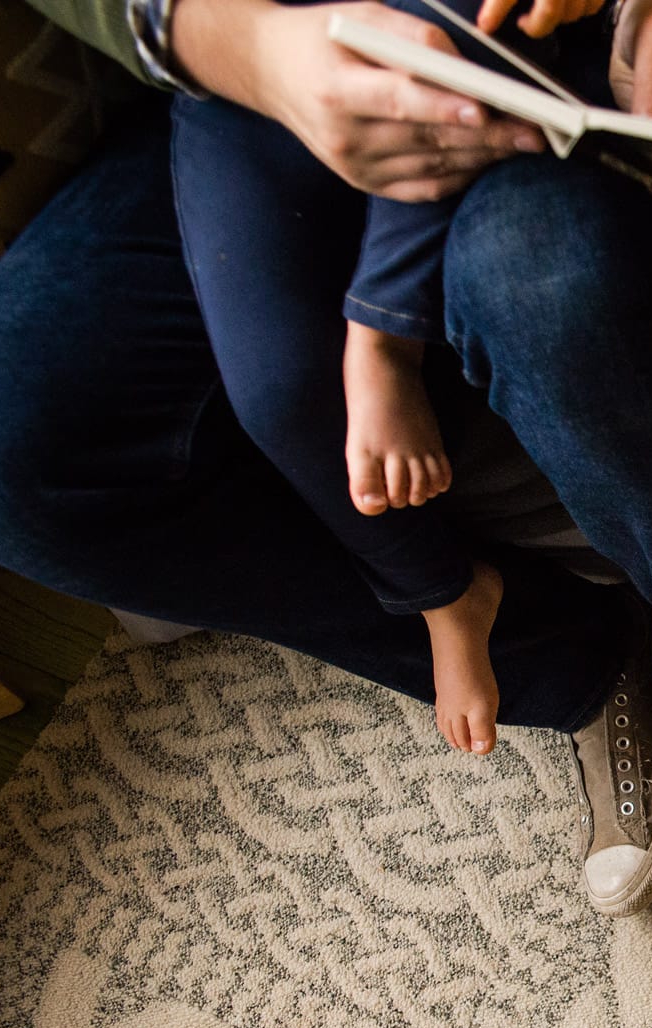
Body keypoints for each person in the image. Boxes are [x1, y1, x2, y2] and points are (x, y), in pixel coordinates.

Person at [0, 0, 652, 935]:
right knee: (234, 396)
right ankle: (502, 626)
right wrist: (246, 47)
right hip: (228, 64)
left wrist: (379, 338)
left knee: (546, 274)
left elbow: (450, 60)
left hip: (489, 39)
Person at [168, 0, 569, 759]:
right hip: (237, 61)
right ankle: (449, 598)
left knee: (452, 73)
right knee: (279, 388)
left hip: (435, 26)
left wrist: (380, 339)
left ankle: (382, 339)